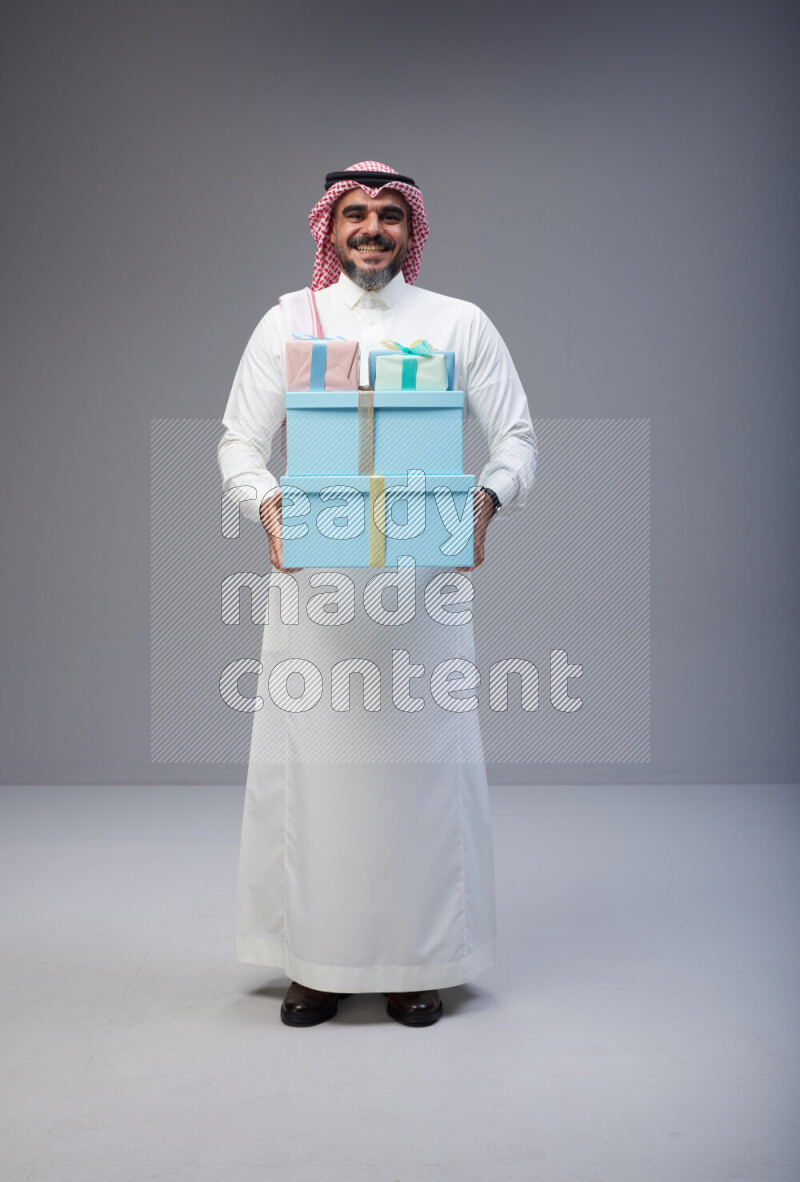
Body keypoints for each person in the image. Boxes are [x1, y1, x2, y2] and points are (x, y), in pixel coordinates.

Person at [218, 161, 537, 1027]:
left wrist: (485, 500)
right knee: (319, 774)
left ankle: (418, 960)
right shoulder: (289, 320)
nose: (371, 229)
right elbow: (239, 443)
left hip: (422, 592)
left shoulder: (456, 324)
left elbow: (514, 434)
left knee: (418, 773)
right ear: (329, 227)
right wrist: (271, 508)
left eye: (389, 215)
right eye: (354, 214)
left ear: (411, 229)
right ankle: (314, 964)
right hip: (317, 594)